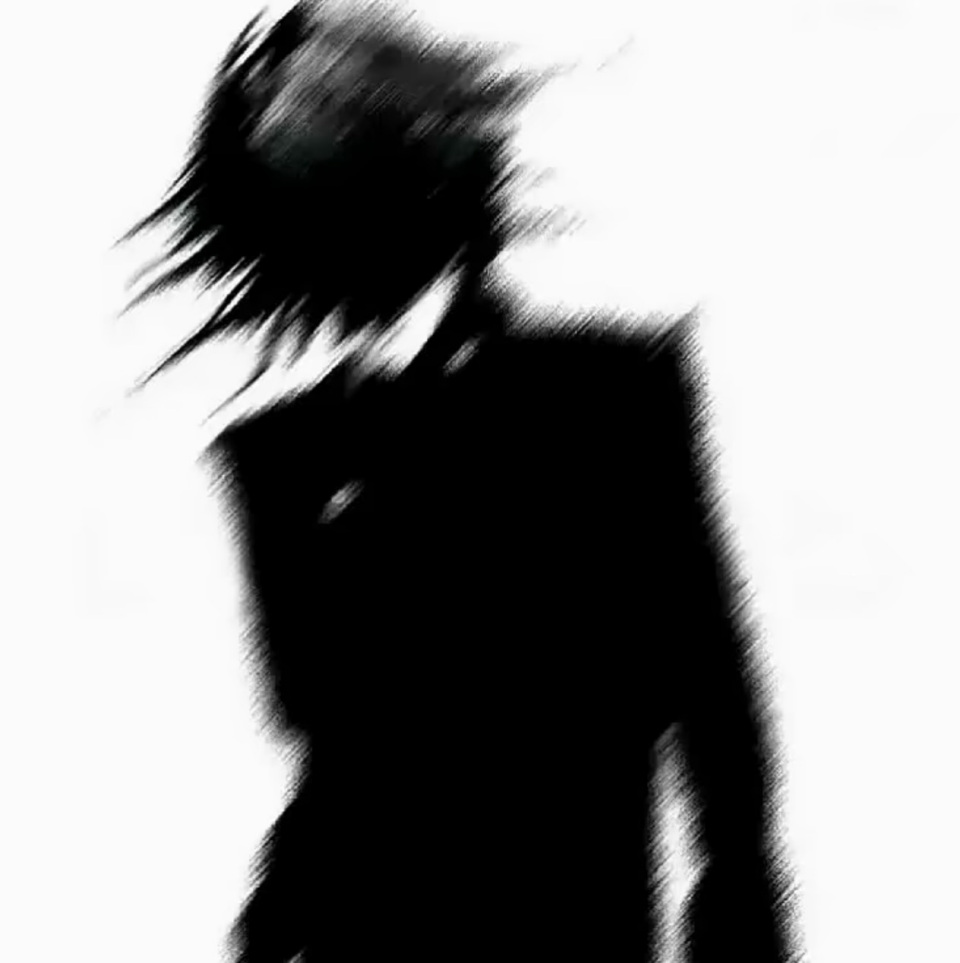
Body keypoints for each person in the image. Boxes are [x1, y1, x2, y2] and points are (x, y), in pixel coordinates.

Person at [123, 3, 796, 960]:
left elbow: (706, 680)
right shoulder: (280, 457)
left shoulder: (604, 396)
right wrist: (266, 932)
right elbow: (338, 761)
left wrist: (738, 901)